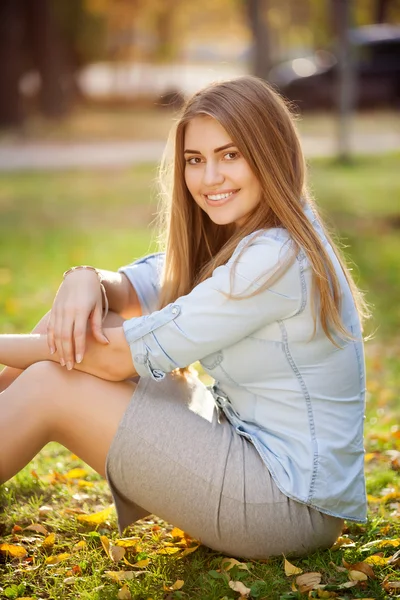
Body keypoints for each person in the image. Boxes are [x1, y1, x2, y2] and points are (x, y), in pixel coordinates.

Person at [0, 76, 369, 560]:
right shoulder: (250, 229)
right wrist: (85, 278)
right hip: (250, 453)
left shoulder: (276, 258)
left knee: (53, 383)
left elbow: (116, 359)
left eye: (230, 155)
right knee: (76, 318)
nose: (209, 177)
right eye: (196, 160)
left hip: (288, 506)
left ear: (271, 153)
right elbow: (145, 285)